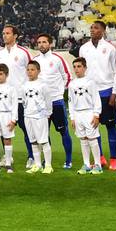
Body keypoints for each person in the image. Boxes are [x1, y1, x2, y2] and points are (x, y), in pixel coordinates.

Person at [78, 22, 116, 170]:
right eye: (91, 28)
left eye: (96, 28)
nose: (93, 30)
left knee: (110, 125)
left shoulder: (109, 48)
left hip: (106, 90)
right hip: (90, 92)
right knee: (93, 126)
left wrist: (114, 93)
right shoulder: (84, 48)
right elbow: (82, 70)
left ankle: (114, 158)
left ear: (103, 30)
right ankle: (100, 157)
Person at [0, 25, 33, 166]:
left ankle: (32, 156)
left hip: (21, 98)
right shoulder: (0, 54)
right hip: (5, 99)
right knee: (5, 129)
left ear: (15, 36)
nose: (4, 36)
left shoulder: (23, 52)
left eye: (8, 33)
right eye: (3, 33)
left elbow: (32, 71)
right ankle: (7, 157)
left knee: (26, 128)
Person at [34, 33, 73, 169]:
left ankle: (68, 160)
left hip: (56, 101)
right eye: (39, 42)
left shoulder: (57, 59)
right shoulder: (35, 60)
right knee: (44, 133)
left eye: (44, 42)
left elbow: (67, 76)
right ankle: (46, 161)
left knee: (63, 131)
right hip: (41, 104)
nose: (41, 45)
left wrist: (60, 93)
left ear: (50, 44)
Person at [67, 58, 103, 175]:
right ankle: (86, 164)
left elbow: (96, 99)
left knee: (92, 138)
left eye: (79, 66)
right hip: (77, 114)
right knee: (83, 139)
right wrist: (72, 117)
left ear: (85, 68)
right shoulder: (72, 84)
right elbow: (71, 102)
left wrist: (96, 114)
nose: (77, 69)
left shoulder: (90, 82)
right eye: (75, 67)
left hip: (89, 113)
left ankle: (97, 164)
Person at [20, 62, 55, 174]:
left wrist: (48, 113)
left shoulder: (42, 85)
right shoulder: (24, 85)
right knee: (33, 142)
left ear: (38, 71)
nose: (30, 72)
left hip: (40, 116)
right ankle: (37, 164)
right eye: (28, 69)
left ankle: (48, 166)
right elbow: (23, 100)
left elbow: (48, 100)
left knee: (44, 141)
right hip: (28, 116)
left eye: (32, 69)